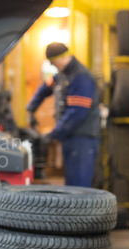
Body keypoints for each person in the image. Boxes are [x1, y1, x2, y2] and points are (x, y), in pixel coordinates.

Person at [27, 42, 100, 187]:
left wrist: (54, 133)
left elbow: (76, 113)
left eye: (54, 63)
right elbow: (44, 89)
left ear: (62, 58)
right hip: (71, 138)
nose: (54, 66)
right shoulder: (62, 75)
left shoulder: (80, 77)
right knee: (72, 184)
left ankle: (80, 210)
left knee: (78, 186)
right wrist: (31, 108)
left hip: (82, 139)